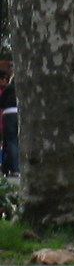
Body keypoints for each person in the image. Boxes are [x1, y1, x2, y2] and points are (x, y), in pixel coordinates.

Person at [0, 49, 16, 178]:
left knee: (10, 142)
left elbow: (1, 102)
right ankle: (9, 166)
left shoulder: (9, 88)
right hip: (18, 113)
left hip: (7, 114)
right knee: (14, 142)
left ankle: (13, 168)